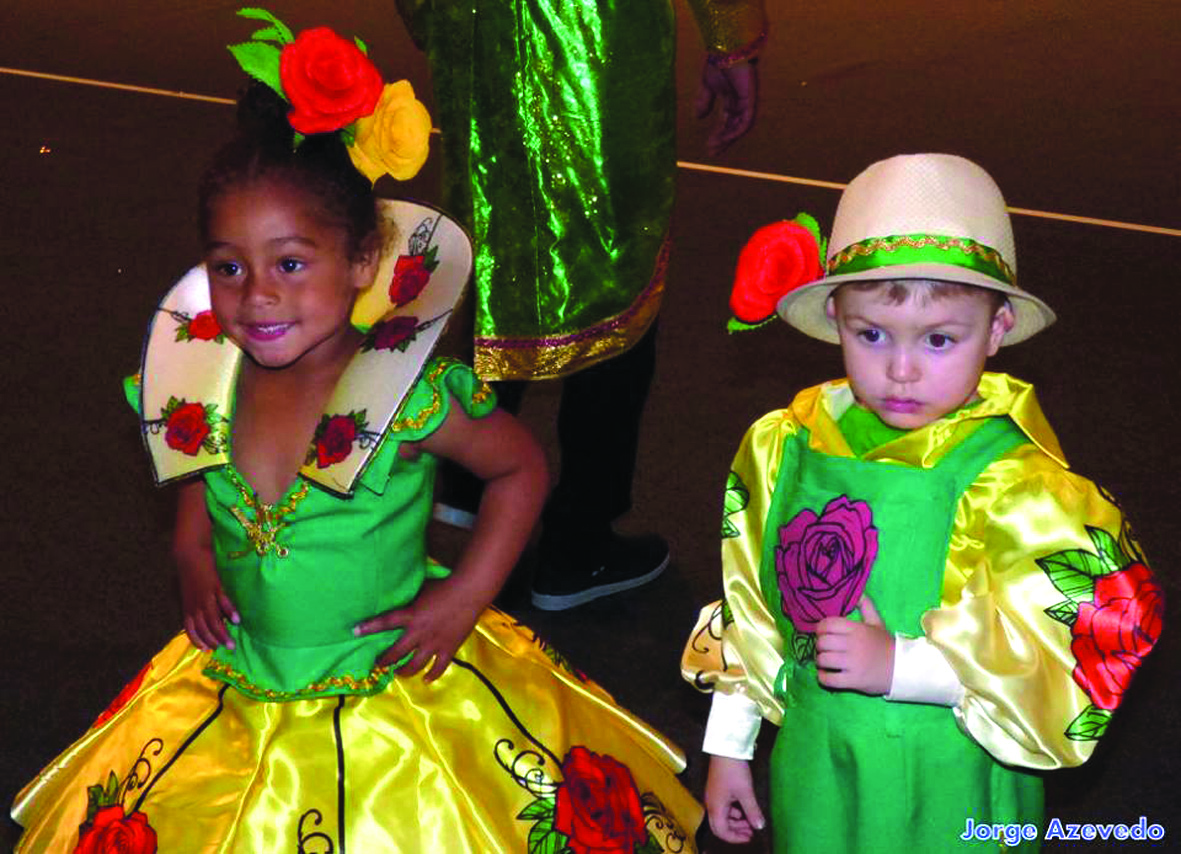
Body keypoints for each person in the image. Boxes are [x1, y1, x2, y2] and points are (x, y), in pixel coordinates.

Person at [11, 11, 702, 850]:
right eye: (229, 267)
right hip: (242, 677)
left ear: (364, 264)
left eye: (291, 264)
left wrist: (462, 597)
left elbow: (519, 471)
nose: (257, 294)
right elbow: (201, 489)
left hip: (392, 693)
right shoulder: (204, 383)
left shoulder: (401, 396)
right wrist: (192, 560)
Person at [681, 153, 1163, 851]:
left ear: (996, 329)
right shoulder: (783, 446)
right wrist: (729, 743)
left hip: (952, 775)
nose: (899, 370)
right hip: (819, 764)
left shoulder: (1013, 481)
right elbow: (751, 602)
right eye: (869, 334)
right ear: (835, 318)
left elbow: (1068, 641)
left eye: (939, 340)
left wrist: (903, 666)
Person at [396, 0, 768, 610]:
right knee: (609, 269)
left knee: (499, 240)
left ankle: (465, 479)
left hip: (478, 30)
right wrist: (731, 37)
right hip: (594, 36)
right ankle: (579, 541)